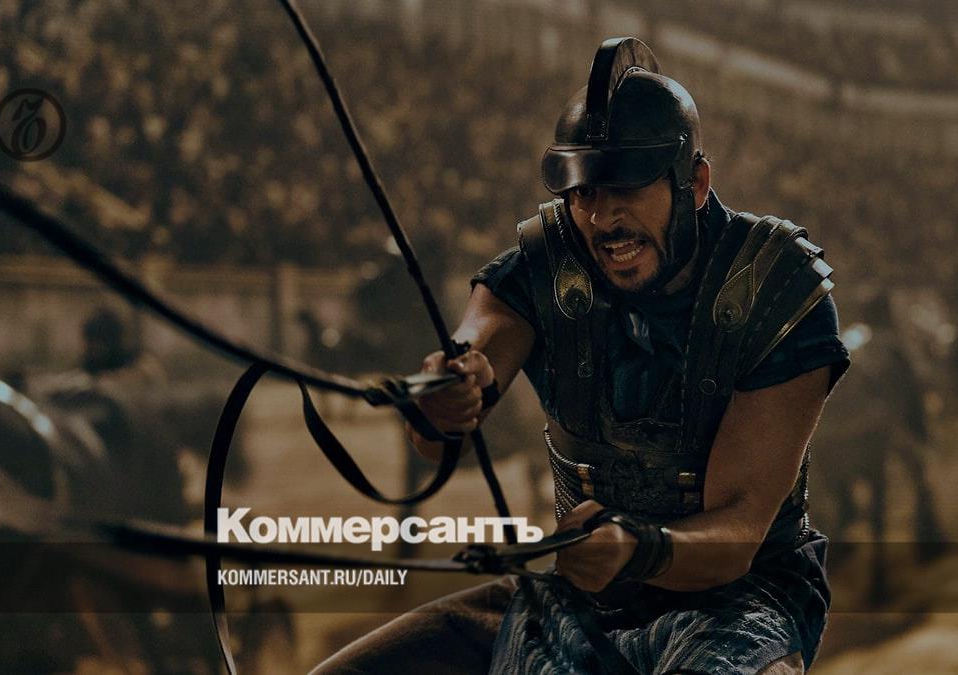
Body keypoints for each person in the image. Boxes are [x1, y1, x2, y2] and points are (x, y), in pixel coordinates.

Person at [315, 37, 849, 674]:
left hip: (741, 602)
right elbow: (467, 369)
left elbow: (735, 536)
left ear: (696, 182)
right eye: (585, 191)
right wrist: (449, 392)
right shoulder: (544, 263)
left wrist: (637, 548)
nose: (602, 218)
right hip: (578, 598)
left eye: (628, 186)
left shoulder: (776, 287)